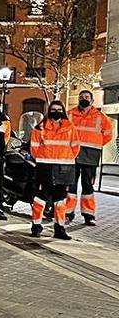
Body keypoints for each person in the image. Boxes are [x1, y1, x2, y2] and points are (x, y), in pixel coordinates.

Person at [29, 101, 79, 240]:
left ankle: (59, 228)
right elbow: (34, 148)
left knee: (60, 200)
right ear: (49, 111)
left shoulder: (71, 128)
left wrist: (65, 158)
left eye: (59, 109)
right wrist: (43, 157)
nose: (56, 111)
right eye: (53, 109)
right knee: (40, 198)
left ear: (63, 111)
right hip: (45, 167)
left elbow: (75, 147)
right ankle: (36, 225)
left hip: (64, 168)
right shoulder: (40, 128)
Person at [66, 90, 113, 225]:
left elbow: (108, 134)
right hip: (72, 155)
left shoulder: (100, 117)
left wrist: (96, 144)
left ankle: (88, 215)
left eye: (86, 97)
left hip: (91, 156)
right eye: (81, 97)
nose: (83, 99)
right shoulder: (70, 114)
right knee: (70, 186)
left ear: (92, 101)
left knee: (88, 186)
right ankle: (68, 213)